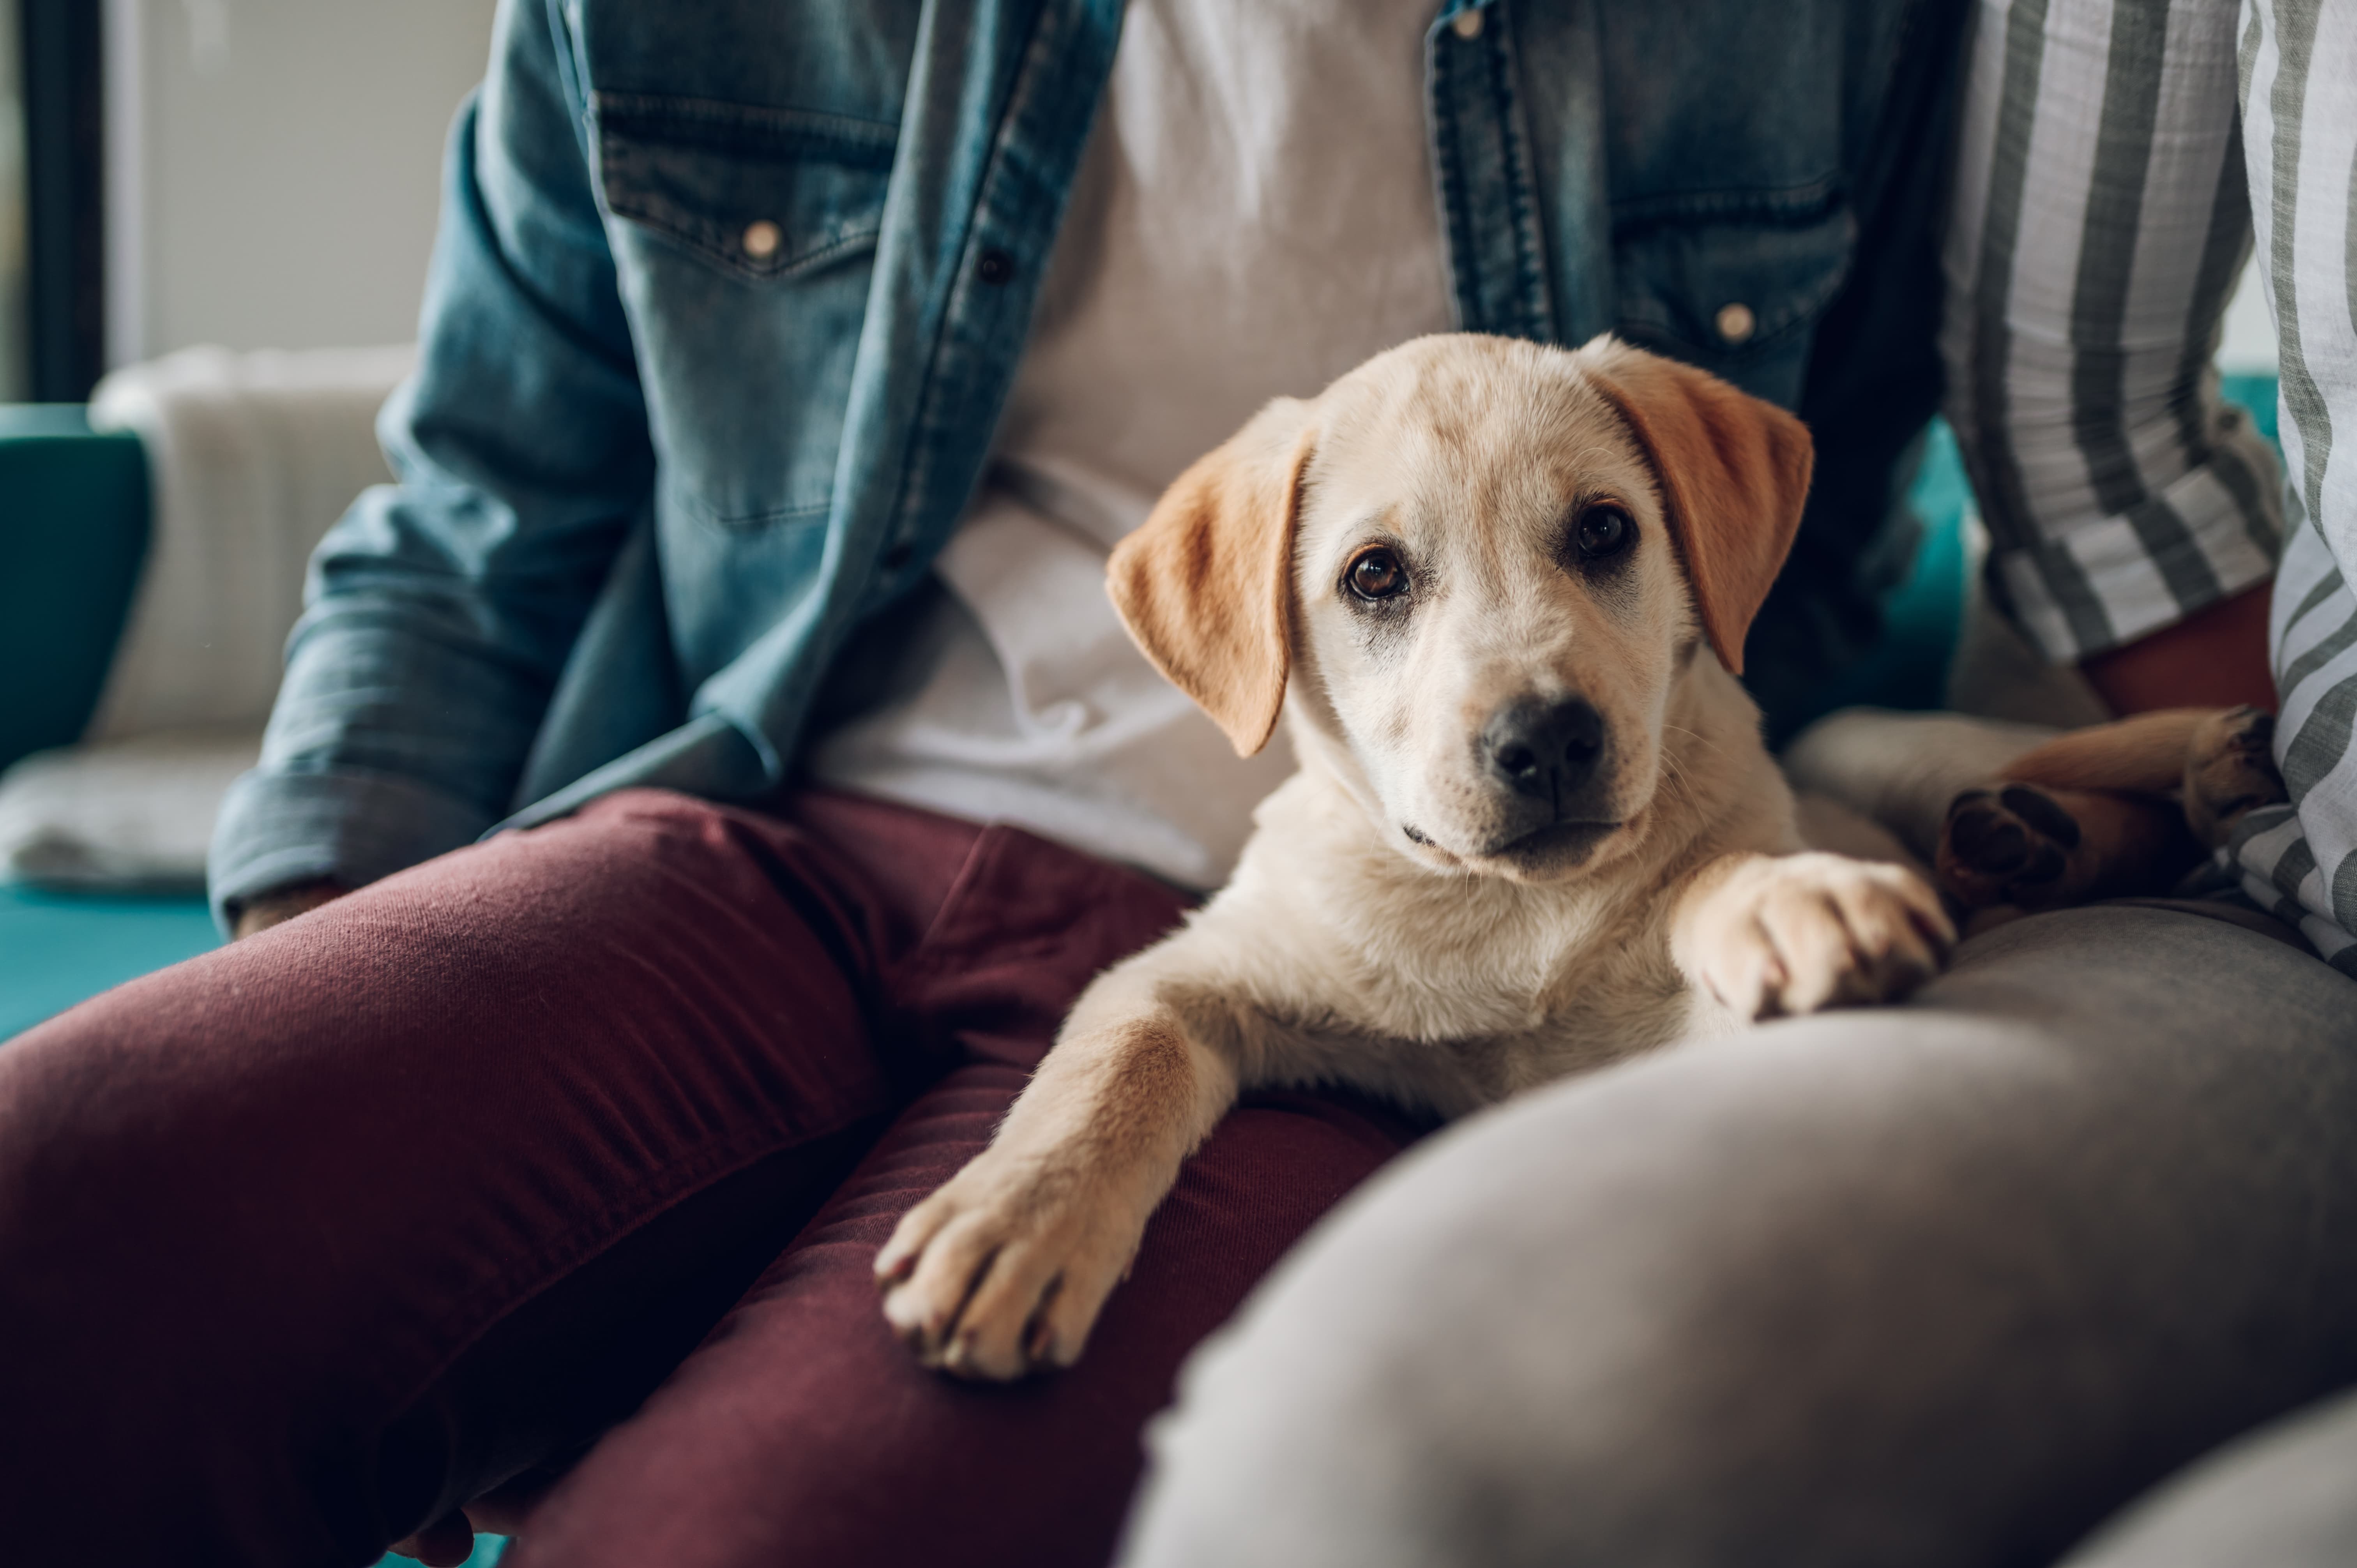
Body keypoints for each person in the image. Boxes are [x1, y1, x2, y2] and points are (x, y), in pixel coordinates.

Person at [0, 0, 2328, 1564]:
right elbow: (489, 489)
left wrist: (2239, 824)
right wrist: (365, 1019)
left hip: (1372, 957)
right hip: (766, 818)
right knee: (76, 1215)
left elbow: (2040, 440)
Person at [1114, 1, 2357, 1564]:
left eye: (1597, 537)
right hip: (2309, 900)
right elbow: (2090, 443)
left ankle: (2108, 809)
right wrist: (2267, 787)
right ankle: (2134, 805)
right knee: (1374, 1455)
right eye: (1380, 579)